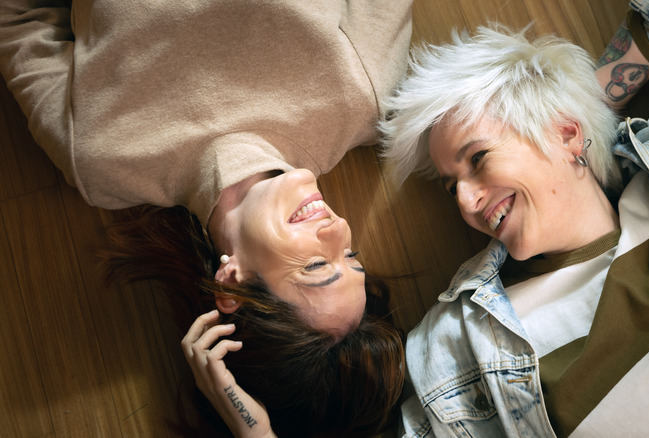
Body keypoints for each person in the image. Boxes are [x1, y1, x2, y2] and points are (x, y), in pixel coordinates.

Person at [0, 0, 412, 436]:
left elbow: (15, 12)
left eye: (315, 265)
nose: (338, 229)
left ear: (232, 284)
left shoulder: (96, 160)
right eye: (351, 255)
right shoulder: (364, 97)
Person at [378, 0, 649, 435]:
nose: (465, 202)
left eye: (477, 158)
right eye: (451, 186)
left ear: (567, 133)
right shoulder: (460, 344)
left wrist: (575, 105)